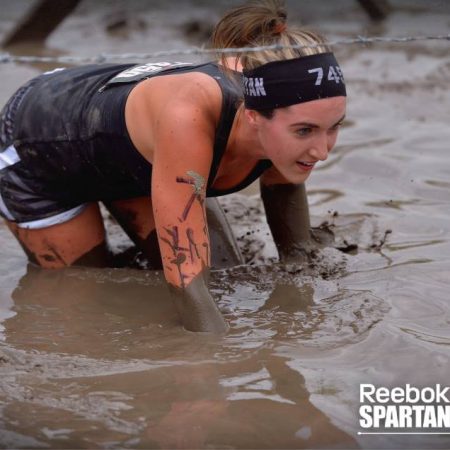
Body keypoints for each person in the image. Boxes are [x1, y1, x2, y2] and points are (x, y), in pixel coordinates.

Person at [0, 0, 346, 333]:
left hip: (130, 156)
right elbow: (189, 283)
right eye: (304, 131)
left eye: (334, 127)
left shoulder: (275, 97)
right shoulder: (190, 119)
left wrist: (299, 290)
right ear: (254, 117)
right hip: (39, 149)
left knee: (226, 277)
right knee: (88, 287)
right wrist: (225, 361)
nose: (322, 151)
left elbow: (290, 219)